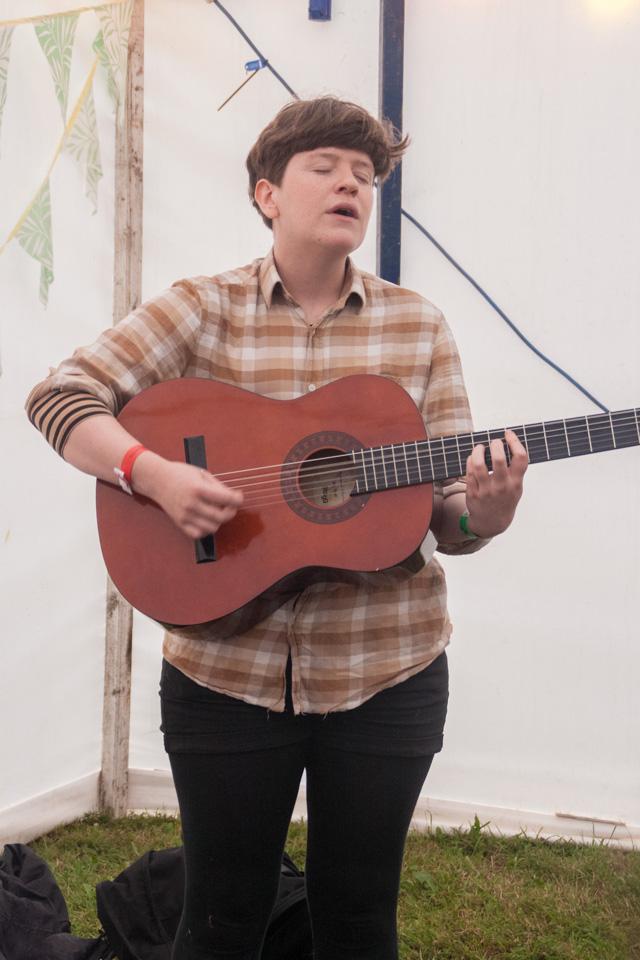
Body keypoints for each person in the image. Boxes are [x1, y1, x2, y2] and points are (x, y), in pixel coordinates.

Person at [26, 97, 528, 960]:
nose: (351, 185)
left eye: (366, 176)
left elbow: (443, 512)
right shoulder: (200, 307)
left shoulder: (420, 326)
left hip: (387, 669)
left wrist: (486, 513)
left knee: (361, 917)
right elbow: (59, 396)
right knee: (219, 919)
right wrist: (153, 474)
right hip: (225, 673)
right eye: (326, 167)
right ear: (267, 194)